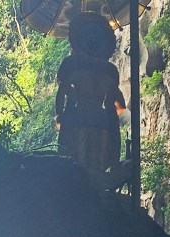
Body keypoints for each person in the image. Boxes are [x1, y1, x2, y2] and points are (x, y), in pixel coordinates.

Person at [55, 13, 126, 175]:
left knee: (75, 165)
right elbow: (120, 104)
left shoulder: (71, 65)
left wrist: (59, 115)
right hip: (101, 119)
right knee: (97, 166)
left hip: (79, 116)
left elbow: (61, 93)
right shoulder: (109, 71)